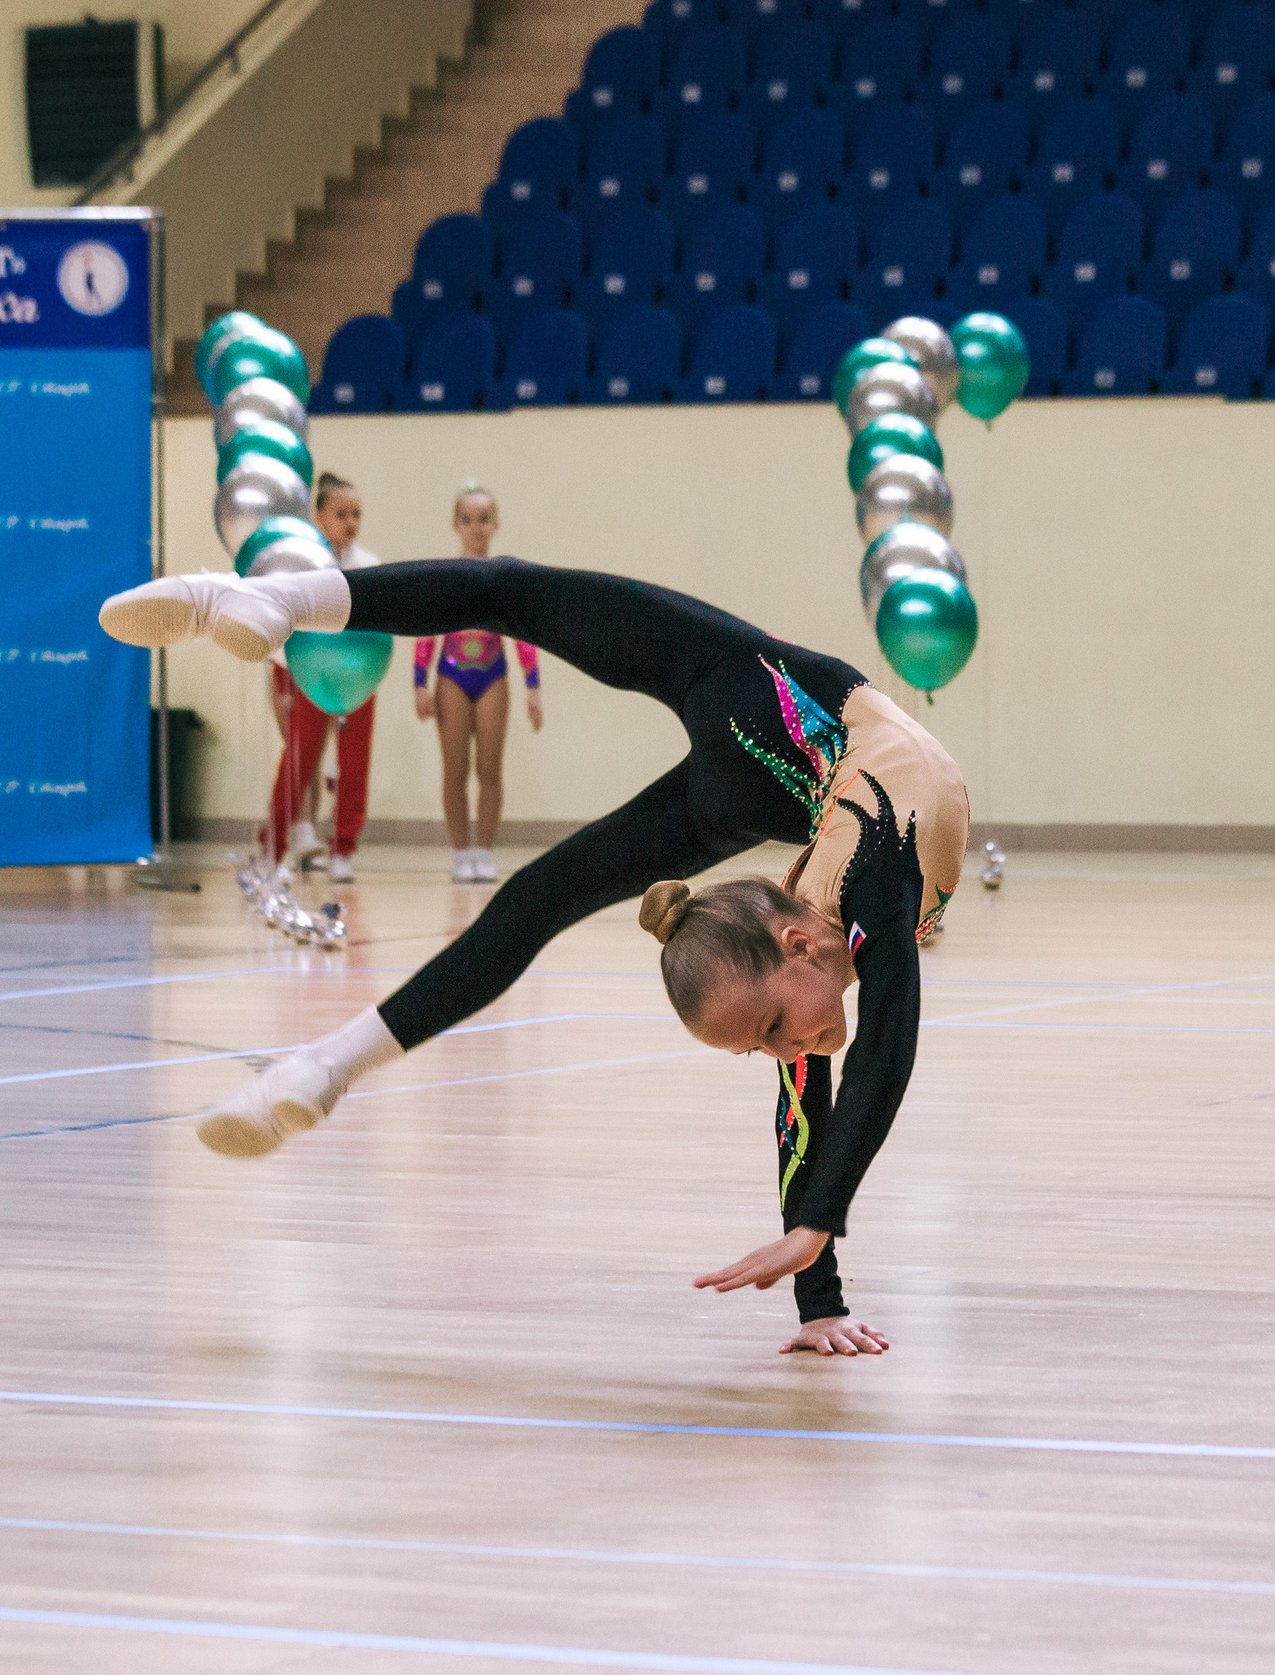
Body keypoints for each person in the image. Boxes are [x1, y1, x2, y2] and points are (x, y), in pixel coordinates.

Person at [98, 558, 967, 1357]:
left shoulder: (817, 934)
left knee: (539, 864)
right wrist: (818, 1230)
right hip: (772, 701)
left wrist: (819, 1296)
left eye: (765, 1036)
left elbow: (813, 1096)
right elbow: (887, 1044)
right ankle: (262, 598)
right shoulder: (876, 883)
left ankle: (319, 1068)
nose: (790, 1052)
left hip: (767, 754)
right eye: (772, 1033)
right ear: (798, 942)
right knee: (512, 597)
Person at [413, 487, 542, 884]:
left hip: (492, 675)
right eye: (467, 520)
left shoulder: (505, 575)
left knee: (490, 768)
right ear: (456, 525)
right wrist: (420, 682)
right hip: (451, 673)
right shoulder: (444, 574)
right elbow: (426, 628)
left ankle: (484, 851)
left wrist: (533, 685)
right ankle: (460, 852)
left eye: (484, 519)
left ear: (496, 524)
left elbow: (523, 634)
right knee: (455, 768)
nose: (476, 528)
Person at [260, 474, 379, 882]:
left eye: (356, 514)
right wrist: (282, 683)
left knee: (354, 763)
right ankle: (272, 851)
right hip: (312, 678)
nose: (350, 522)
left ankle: (343, 847)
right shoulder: (302, 565)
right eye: (340, 513)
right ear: (319, 515)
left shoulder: (370, 567)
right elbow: (284, 627)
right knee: (299, 761)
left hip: (358, 678)